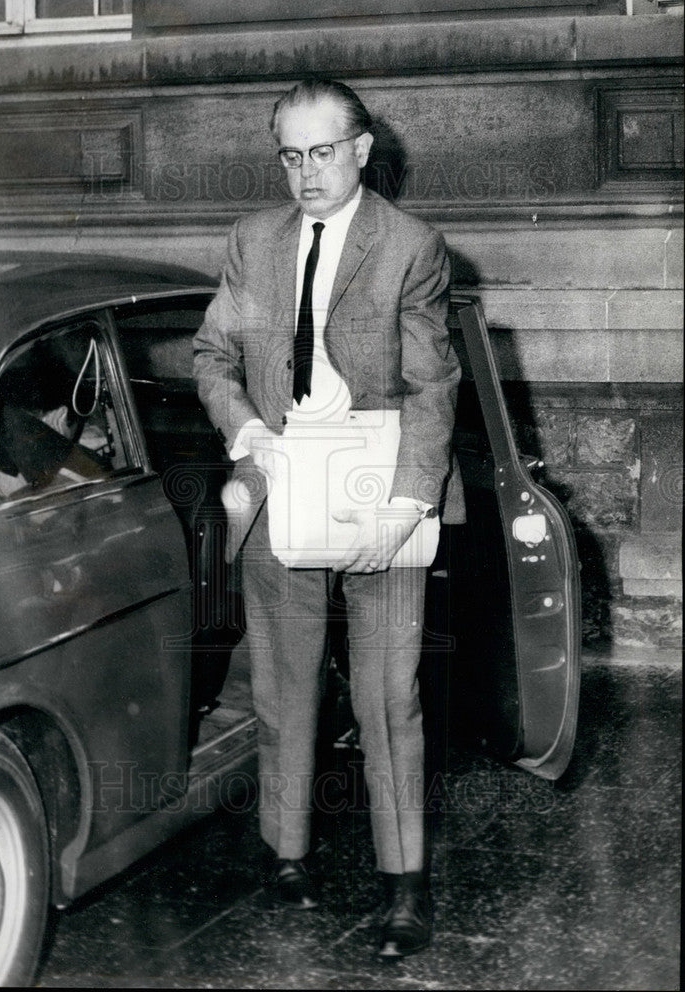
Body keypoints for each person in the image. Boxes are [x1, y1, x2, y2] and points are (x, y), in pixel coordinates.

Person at [193, 78, 464, 959]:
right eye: (290, 155)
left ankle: (404, 888)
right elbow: (212, 354)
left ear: (361, 149)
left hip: (377, 494)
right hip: (282, 487)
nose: (305, 172)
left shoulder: (411, 247)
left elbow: (432, 390)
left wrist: (411, 500)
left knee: (390, 699)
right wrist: (244, 429)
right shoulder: (252, 242)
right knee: (282, 689)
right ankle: (286, 855)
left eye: (322, 152)